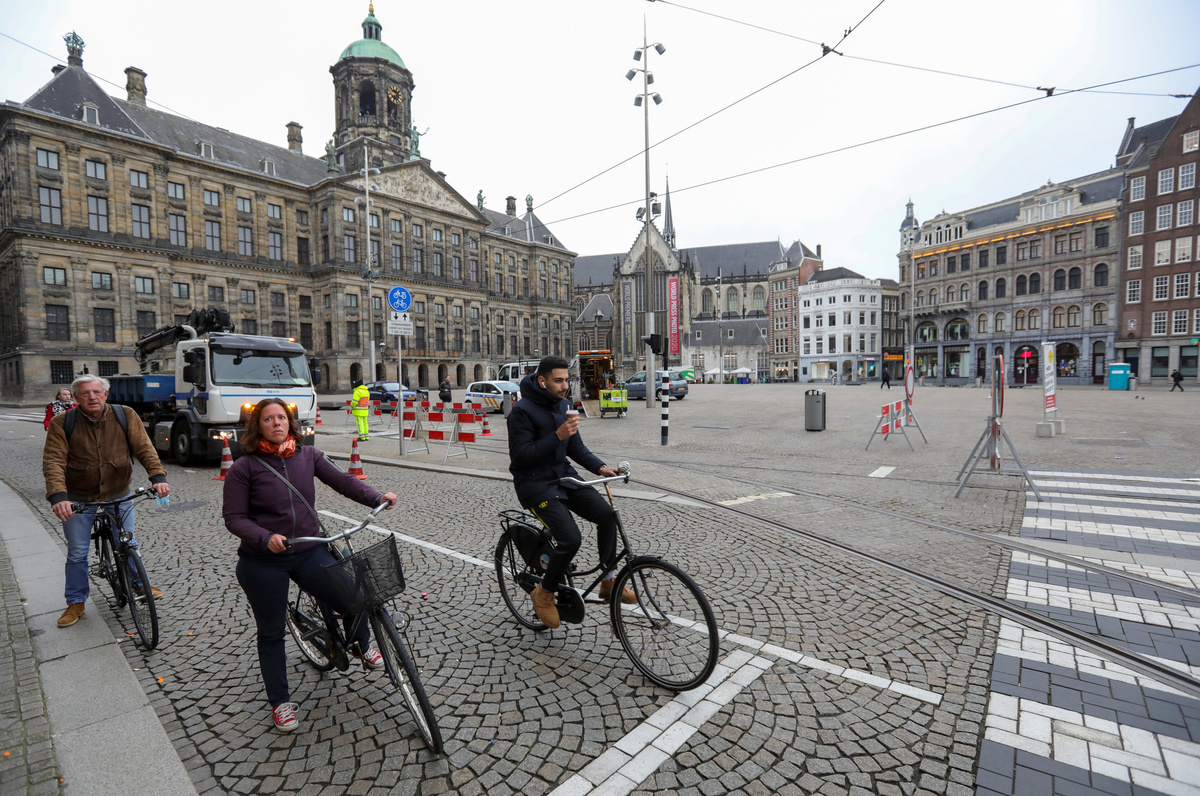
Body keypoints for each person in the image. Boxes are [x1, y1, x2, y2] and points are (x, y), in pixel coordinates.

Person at [223, 398, 398, 733]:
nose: (276, 423)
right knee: (271, 632)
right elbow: (234, 518)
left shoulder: (308, 456)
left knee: (355, 595)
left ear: (290, 423)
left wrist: (376, 497)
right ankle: (280, 702)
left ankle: (360, 645)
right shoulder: (244, 467)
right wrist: (264, 537)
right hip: (262, 561)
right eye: (268, 419)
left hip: (307, 550)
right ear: (257, 426)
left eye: (281, 417)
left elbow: (344, 481)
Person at [507, 356, 632, 629]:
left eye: (567, 380)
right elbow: (521, 457)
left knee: (607, 516)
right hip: (534, 483)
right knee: (570, 538)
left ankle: (609, 581)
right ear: (542, 381)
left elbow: (576, 448)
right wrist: (557, 436)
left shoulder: (564, 405)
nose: (565, 386)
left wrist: (600, 467)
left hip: (563, 477)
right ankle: (543, 593)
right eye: (559, 380)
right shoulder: (522, 411)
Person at [42, 375, 170, 629]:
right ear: (76, 398)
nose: (92, 397)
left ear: (106, 395)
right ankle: (76, 601)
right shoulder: (62, 422)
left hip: (118, 491)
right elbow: (54, 461)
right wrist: (58, 496)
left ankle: (137, 585)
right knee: (77, 552)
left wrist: (157, 476)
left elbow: (144, 448)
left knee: (127, 541)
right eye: (85, 393)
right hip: (79, 495)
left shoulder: (125, 415)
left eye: (97, 392)